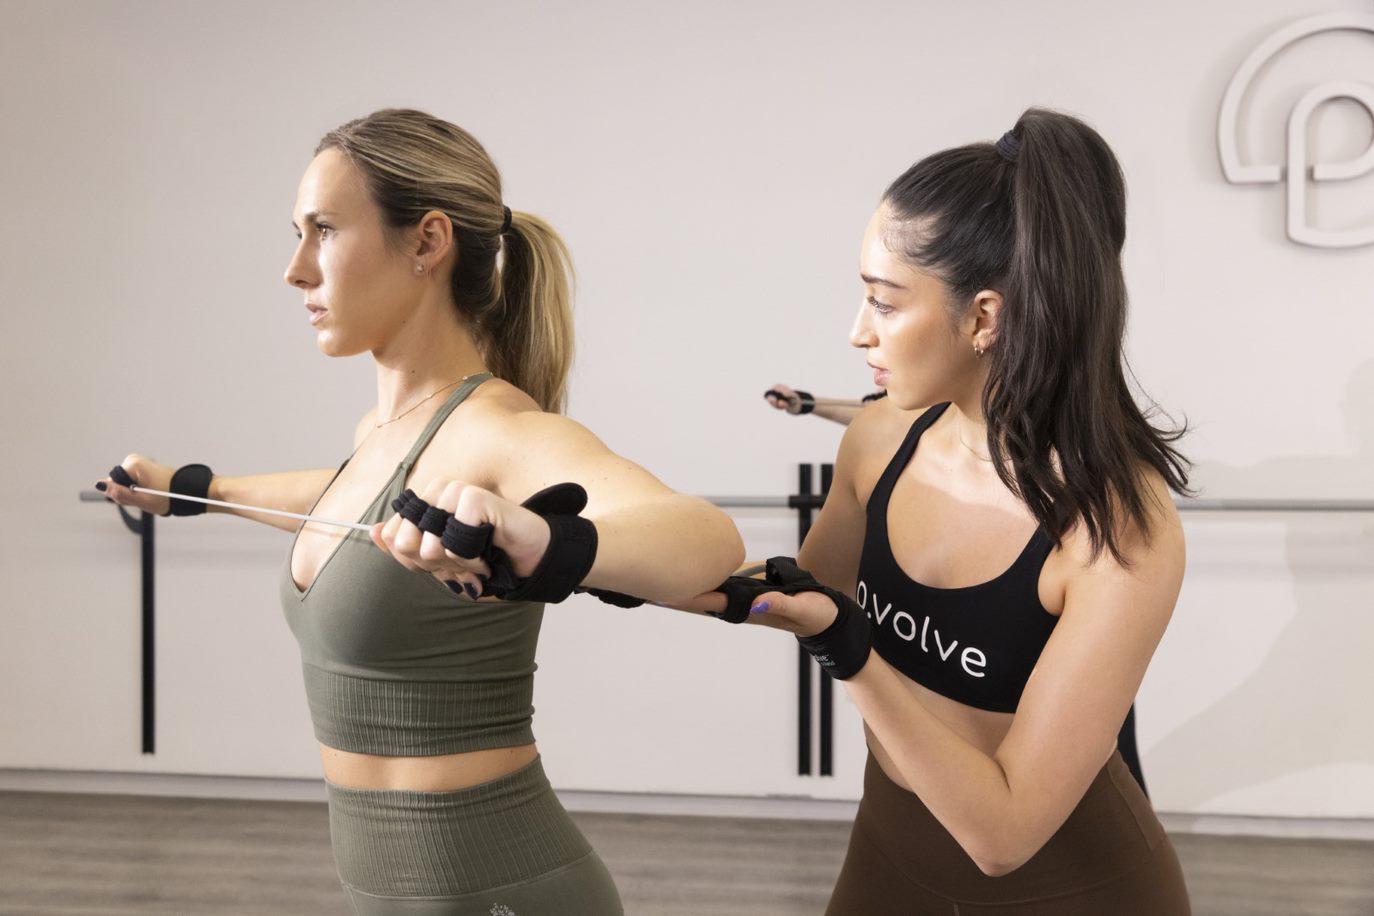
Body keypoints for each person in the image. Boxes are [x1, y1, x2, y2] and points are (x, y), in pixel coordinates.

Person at [98, 108, 743, 916]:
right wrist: (200, 488)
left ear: (428, 242)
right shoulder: (386, 434)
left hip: (499, 888)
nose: (296, 270)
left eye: (323, 230)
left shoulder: (502, 432)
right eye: (297, 234)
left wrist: (538, 540)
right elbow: (343, 503)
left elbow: (706, 538)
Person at [705, 109, 1193, 913]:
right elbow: (789, 590)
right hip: (889, 858)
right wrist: (580, 558)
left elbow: (1002, 834)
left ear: (983, 318)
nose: (857, 331)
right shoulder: (878, 438)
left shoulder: (1114, 526)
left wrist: (850, 651)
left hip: (1074, 889)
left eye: (885, 303)